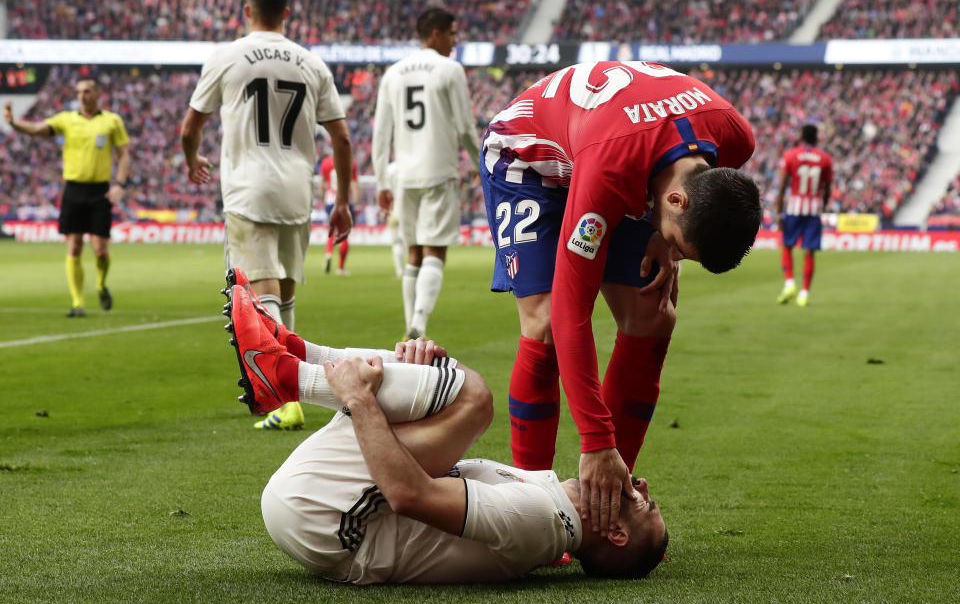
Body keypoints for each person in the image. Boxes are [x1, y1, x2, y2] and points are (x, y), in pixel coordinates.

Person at [220, 280, 668, 583]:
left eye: (645, 504)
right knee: (446, 381)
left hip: (328, 520)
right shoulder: (548, 512)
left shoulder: (539, 519)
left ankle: (287, 376)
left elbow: (409, 494)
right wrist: (420, 385)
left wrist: (361, 400)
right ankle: (295, 352)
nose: (642, 484)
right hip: (327, 513)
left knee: (472, 398)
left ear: (616, 534)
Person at [480, 61, 761, 538]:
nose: (675, 255)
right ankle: (530, 507)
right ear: (677, 202)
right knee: (547, 322)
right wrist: (595, 439)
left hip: (632, 154)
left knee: (653, 315)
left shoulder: (735, 136)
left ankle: (603, 505)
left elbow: (694, 187)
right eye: (679, 244)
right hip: (532, 159)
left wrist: (663, 240)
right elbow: (574, 311)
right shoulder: (610, 171)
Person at [180, 0, 354, 431]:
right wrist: (342, 201)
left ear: (246, 11)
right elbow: (341, 137)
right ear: (288, 14)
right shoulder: (311, 63)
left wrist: (192, 157)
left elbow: (188, 127)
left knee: (260, 292)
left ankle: (290, 396)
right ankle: (294, 394)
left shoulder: (227, 57)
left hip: (248, 186)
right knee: (286, 291)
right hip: (298, 185)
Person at [372, 7, 480, 339]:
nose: (455, 40)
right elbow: (465, 126)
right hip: (439, 170)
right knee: (435, 250)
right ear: (435, 33)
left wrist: (381, 181)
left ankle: (411, 327)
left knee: (413, 253)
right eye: (452, 33)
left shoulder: (393, 72)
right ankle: (418, 321)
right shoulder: (450, 69)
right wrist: (482, 167)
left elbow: (381, 132)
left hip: (403, 175)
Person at [4, 79, 130, 317]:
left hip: (100, 191)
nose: (82, 95)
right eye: (79, 91)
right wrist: (14, 123)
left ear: (97, 93)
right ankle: (77, 303)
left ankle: (101, 285)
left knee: (101, 250)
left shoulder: (112, 121)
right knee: (74, 246)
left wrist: (120, 184)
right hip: (73, 190)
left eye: (87, 91)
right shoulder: (66, 119)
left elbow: (124, 155)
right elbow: (37, 129)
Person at [775, 124, 833, 307]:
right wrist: (821, 205)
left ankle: (790, 283)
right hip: (813, 209)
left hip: (794, 208)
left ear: (801, 137)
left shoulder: (790, 156)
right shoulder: (825, 159)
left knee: (787, 246)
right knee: (809, 251)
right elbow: (828, 188)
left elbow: (783, 186)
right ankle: (804, 293)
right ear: (816, 138)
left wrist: (778, 212)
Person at [318, 155, 359, 276]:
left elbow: (322, 184)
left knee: (333, 229)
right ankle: (340, 268)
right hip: (345, 200)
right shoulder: (351, 161)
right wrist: (356, 202)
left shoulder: (325, 162)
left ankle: (329, 253)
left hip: (330, 199)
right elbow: (354, 185)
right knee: (344, 232)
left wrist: (324, 199)